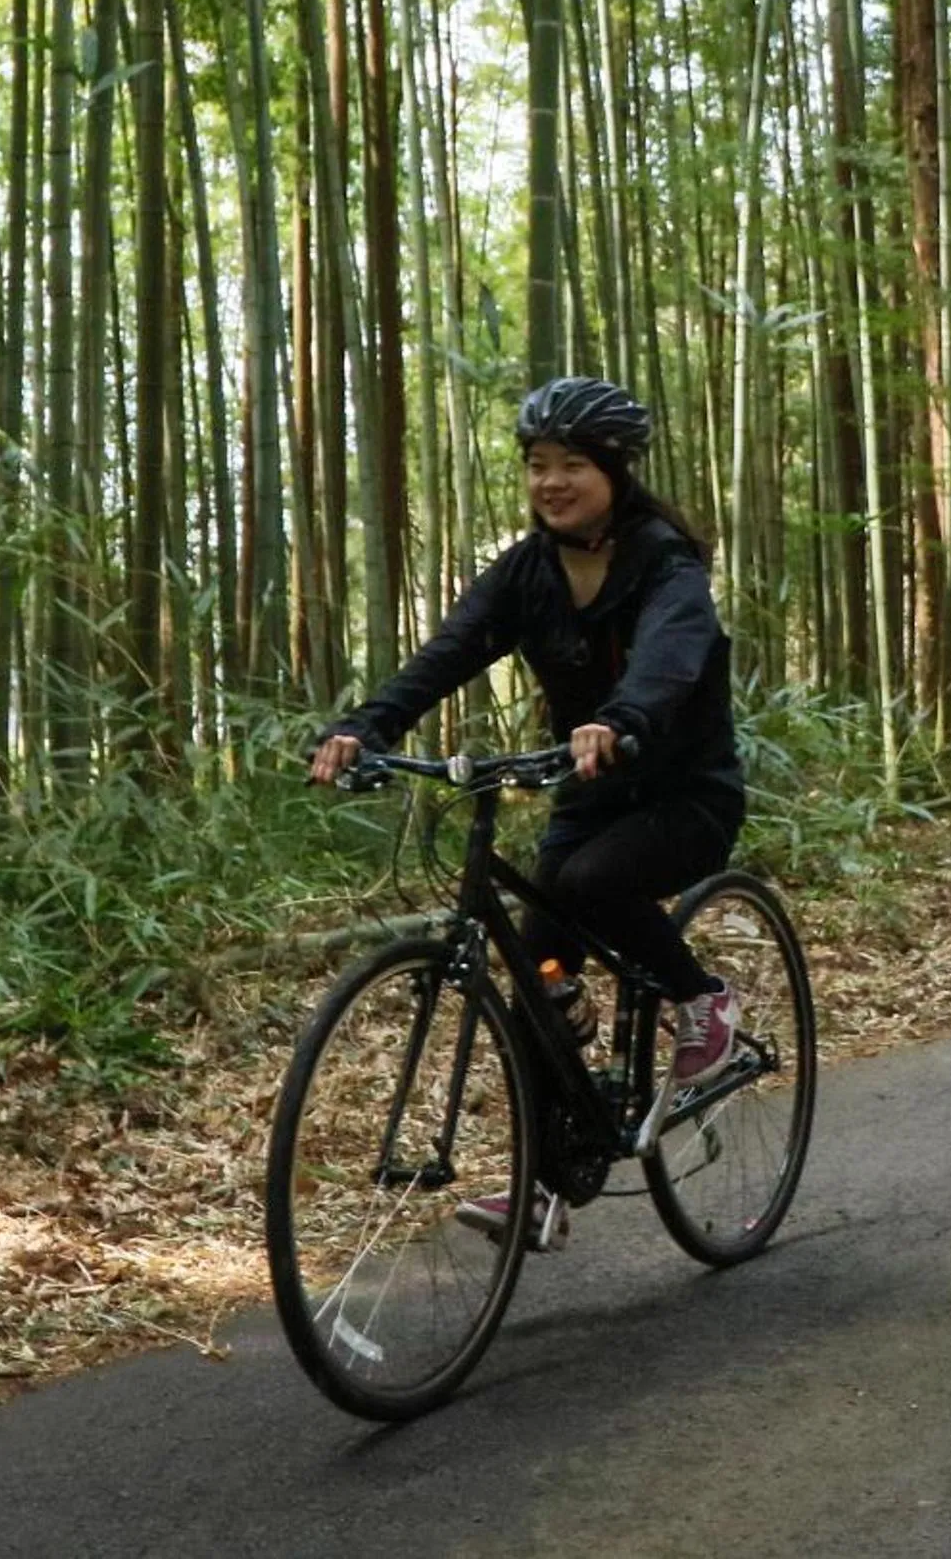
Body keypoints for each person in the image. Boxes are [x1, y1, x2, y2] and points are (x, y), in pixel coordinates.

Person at [309, 377, 743, 1251]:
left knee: (585, 883)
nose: (551, 481)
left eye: (573, 465)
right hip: (586, 794)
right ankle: (545, 1188)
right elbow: (449, 653)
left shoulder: (666, 563)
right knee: (538, 972)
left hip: (684, 793)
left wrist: (621, 721)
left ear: (615, 472)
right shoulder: (528, 569)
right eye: (539, 465)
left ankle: (706, 1005)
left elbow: (668, 658)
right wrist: (367, 726)